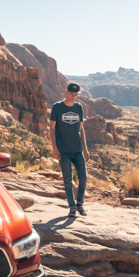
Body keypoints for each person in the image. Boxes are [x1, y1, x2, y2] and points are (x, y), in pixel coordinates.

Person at [49, 83, 90, 217]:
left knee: (83, 176)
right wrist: (54, 148)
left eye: (76, 94)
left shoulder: (79, 107)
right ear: (66, 92)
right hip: (63, 150)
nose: (73, 96)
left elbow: (81, 128)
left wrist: (85, 148)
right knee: (68, 180)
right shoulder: (57, 107)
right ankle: (72, 207)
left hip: (77, 149)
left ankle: (80, 204)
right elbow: (52, 128)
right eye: (71, 93)